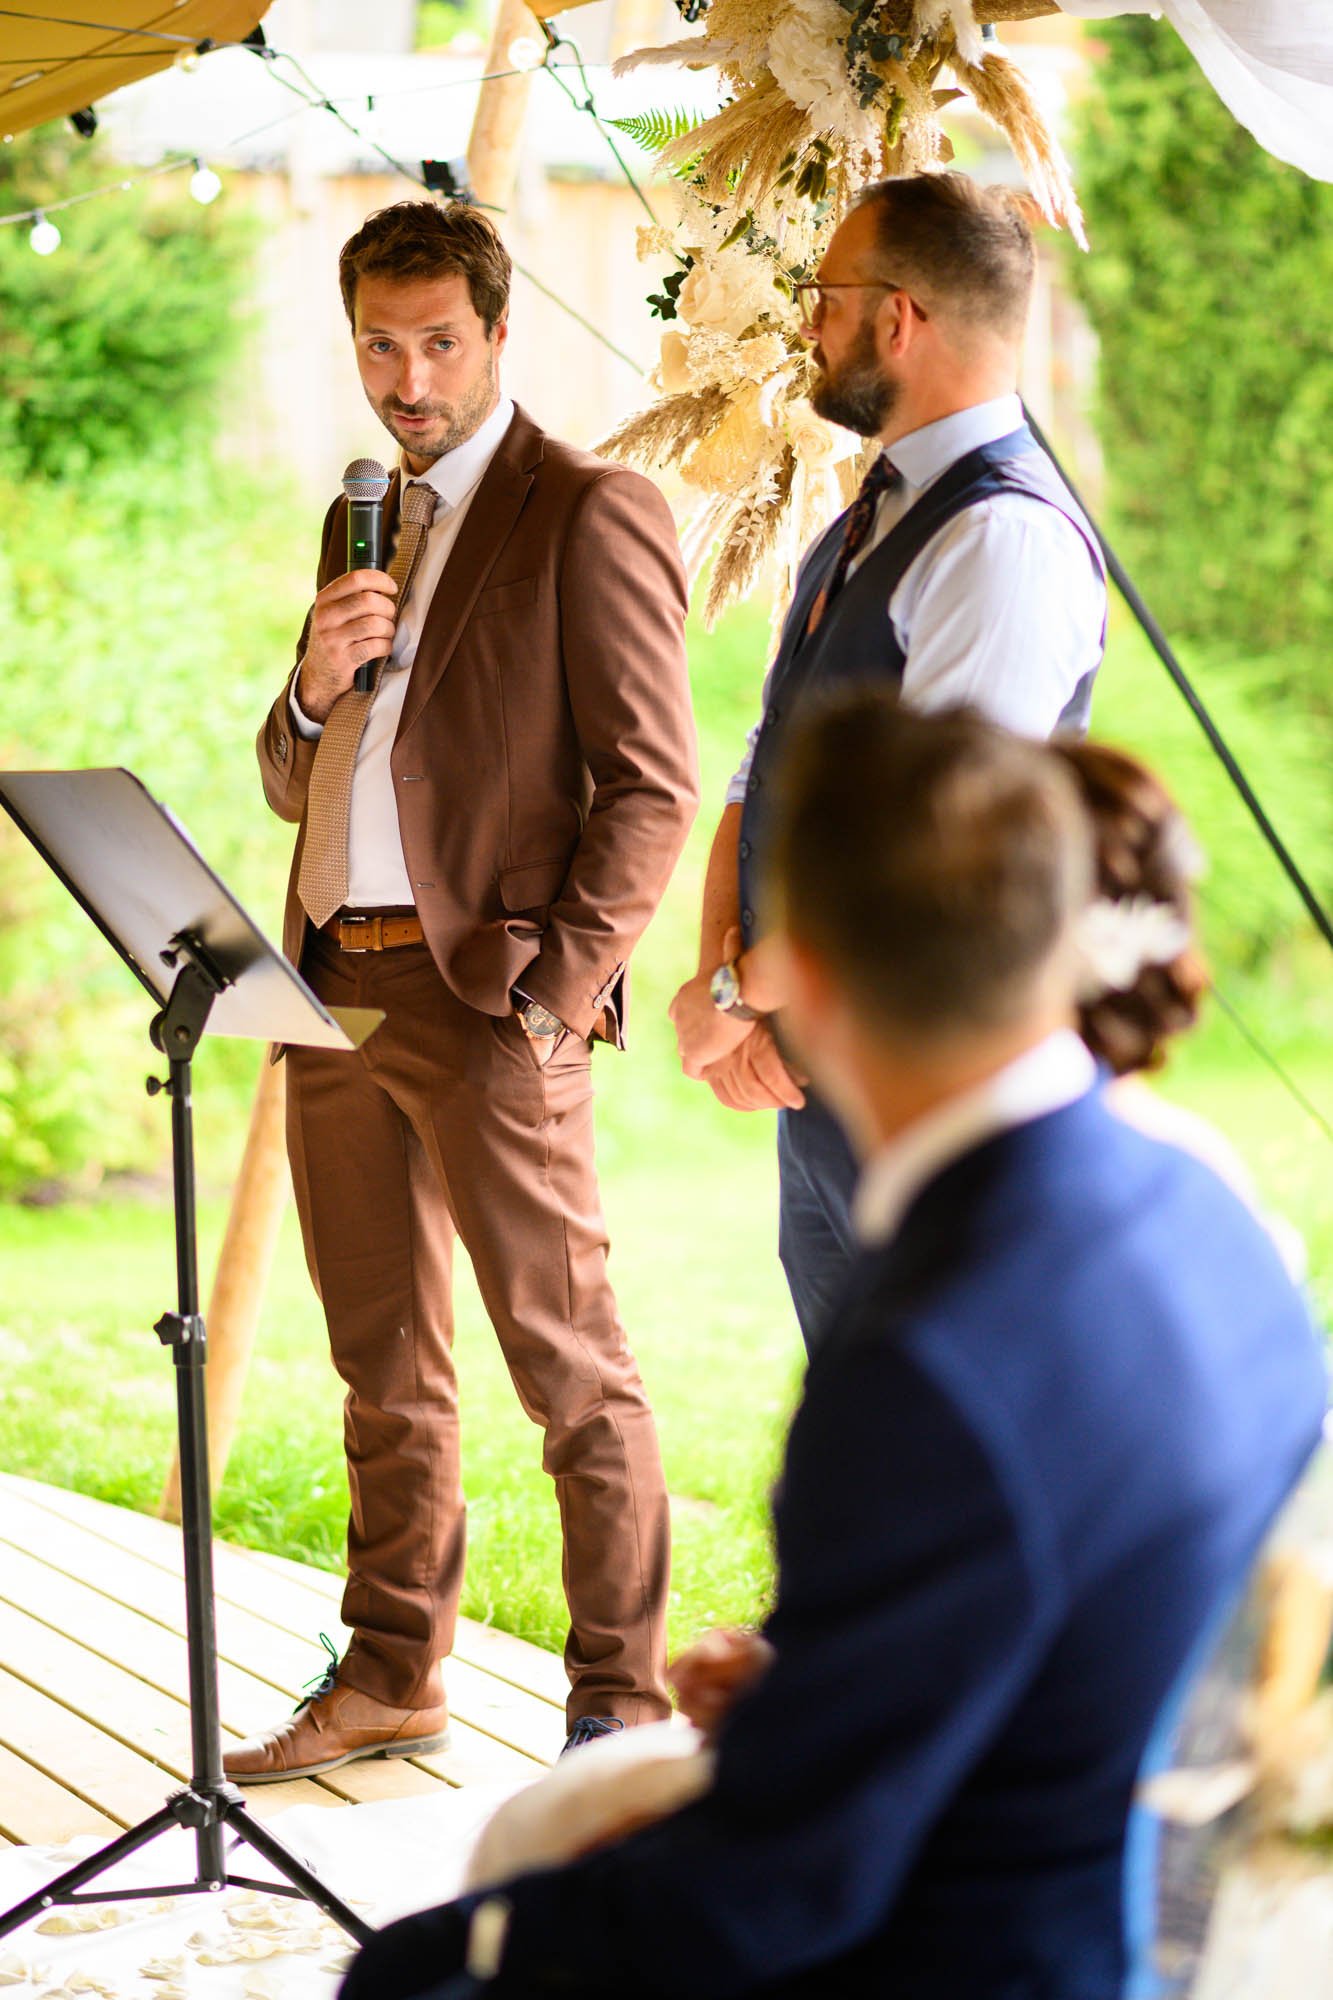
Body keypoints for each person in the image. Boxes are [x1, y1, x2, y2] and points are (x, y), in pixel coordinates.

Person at [337, 693, 1326, 2000]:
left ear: (790, 966)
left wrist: (450, 1952)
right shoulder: (1205, 1207)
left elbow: (770, 1891)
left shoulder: (930, 1362)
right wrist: (825, 1678)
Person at [228, 201, 699, 1778]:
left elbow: (651, 786)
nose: (407, 376)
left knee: (569, 1371)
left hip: (490, 1000)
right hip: (329, 990)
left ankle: (619, 1708)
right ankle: (391, 1669)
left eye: (438, 341)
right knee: (383, 1362)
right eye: (380, 341)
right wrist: (307, 680)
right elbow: (298, 783)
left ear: (499, 333)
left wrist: (562, 994)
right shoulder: (358, 523)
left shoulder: (586, 509)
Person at [669, 169, 1109, 1351]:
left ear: (897, 318)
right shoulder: (873, 509)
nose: (808, 324)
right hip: (821, 1080)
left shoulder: (999, 539)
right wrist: (736, 986)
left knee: (949, 1458)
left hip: (932, 1089)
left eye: (827, 294)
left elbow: (925, 851)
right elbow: (764, 767)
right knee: (862, 1449)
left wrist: (732, 999)